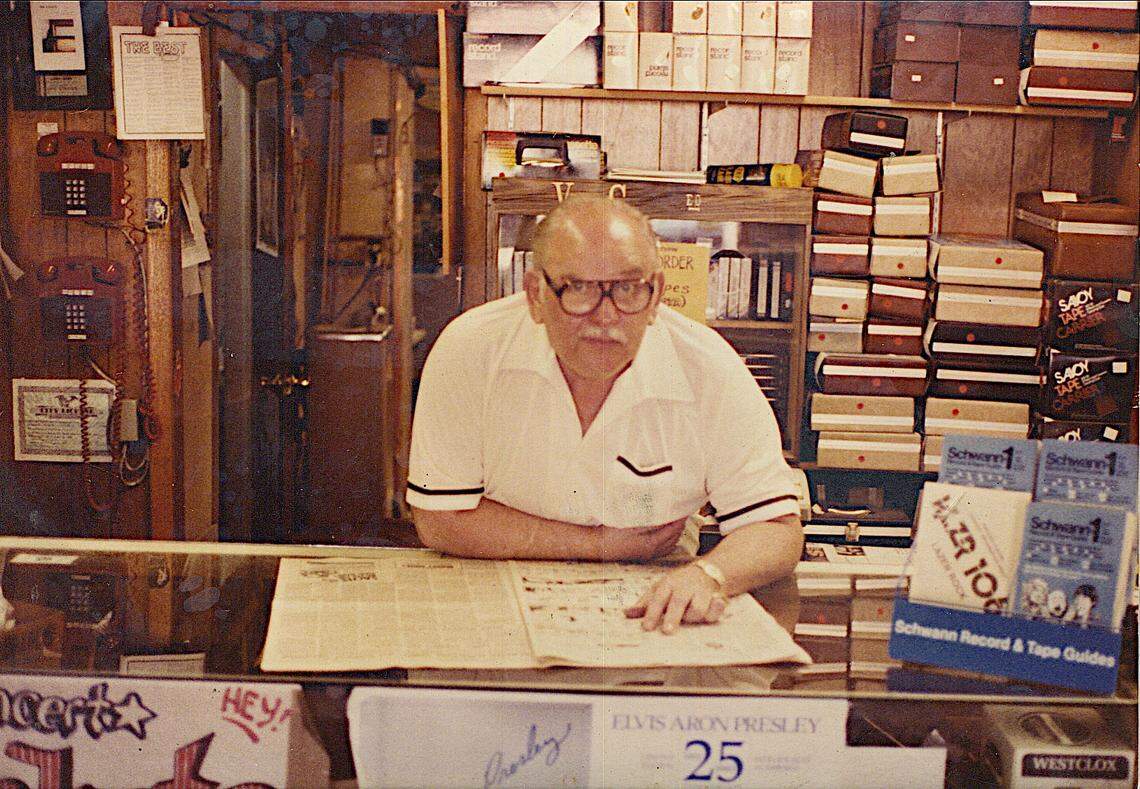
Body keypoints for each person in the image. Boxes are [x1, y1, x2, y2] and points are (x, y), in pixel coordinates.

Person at [408, 195, 803, 634]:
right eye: (578, 288)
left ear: (656, 294)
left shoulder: (710, 368)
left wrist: (709, 575)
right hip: (493, 599)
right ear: (536, 295)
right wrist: (602, 544)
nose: (605, 316)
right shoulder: (470, 349)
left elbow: (776, 529)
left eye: (628, 288)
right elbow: (440, 519)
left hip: (648, 607)